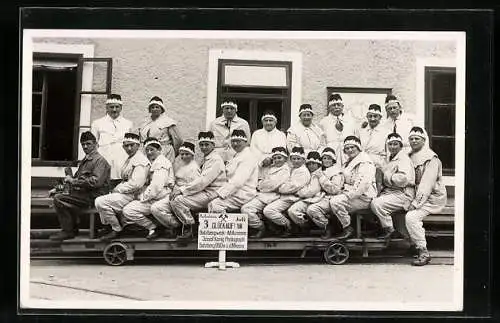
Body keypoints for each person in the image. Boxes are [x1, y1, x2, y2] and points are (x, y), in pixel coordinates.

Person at [49, 132, 111, 241]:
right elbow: (77, 179)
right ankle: (72, 229)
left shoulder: (100, 161)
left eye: (88, 143)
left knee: (59, 199)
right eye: (83, 144)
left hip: (94, 197)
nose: (85, 146)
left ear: (95, 144)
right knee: (59, 195)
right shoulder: (85, 161)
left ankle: (68, 231)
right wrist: (58, 188)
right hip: (83, 195)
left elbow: (95, 182)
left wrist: (72, 181)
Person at [168, 131, 226, 240]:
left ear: (213, 145)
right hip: (206, 191)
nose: (204, 147)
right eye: (201, 144)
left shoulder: (215, 160)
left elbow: (203, 181)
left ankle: (190, 229)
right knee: (175, 198)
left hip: (213, 194)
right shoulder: (207, 158)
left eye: (207, 144)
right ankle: (187, 227)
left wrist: (182, 190)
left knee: (177, 200)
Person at [94, 132, 150, 241]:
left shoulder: (140, 161)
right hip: (127, 193)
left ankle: (116, 229)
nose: (128, 148)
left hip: (134, 195)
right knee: (103, 198)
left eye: (132, 145)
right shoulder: (131, 158)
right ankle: (110, 226)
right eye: (126, 145)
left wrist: (118, 189)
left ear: (138, 146)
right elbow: (126, 179)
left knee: (100, 201)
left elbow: (136, 184)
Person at [405, 126, 447, 266]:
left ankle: (423, 251)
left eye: (417, 139)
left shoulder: (431, 159)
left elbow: (426, 185)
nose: (414, 141)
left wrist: (415, 204)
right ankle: (412, 243)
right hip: (416, 195)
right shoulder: (409, 156)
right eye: (411, 139)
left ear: (424, 140)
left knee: (411, 216)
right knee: (397, 209)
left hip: (431, 198)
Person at [122, 138, 175, 240]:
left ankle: (176, 227)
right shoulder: (154, 162)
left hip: (163, 196)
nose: (149, 152)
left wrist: (142, 197)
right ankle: (154, 227)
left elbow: (156, 186)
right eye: (147, 150)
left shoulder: (161, 163)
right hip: (154, 196)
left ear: (159, 150)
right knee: (128, 210)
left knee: (155, 208)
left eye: (152, 150)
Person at [329, 136, 377, 240]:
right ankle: (336, 228)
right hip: (354, 194)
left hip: (364, 197)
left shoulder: (365, 162)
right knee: (329, 200)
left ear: (358, 147)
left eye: (352, 147)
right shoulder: (350, 161)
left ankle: (348, 228)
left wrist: (347, 194)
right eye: (347, 148)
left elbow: (363, 184)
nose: (350, 150)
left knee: (335, 202)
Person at [149, 141, 201, 237]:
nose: (184, 156)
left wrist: (180, 192)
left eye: (187, 154)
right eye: (182, 154)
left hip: (185, 196)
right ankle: (176, 225)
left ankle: (189, 226)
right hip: (175, 193)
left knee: (173, 202)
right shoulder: (182, 165)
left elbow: (195, 187)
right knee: (155, 208)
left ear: (192, 155)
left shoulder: (194, 168)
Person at [370, 133, 416, 240]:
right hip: (392, 191)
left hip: (403, 193)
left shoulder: (403, 159)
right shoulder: (390, 158)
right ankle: (382, 227)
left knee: (376, 204)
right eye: (390, 144)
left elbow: (403, 179)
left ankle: (390, 230)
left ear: (400, 146)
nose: (392, 147)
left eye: (395, 144)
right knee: (370, 199)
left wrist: (387, 176)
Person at [240, 146, 291, 238]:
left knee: (268, 211)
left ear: (285, 159)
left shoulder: (285, 170)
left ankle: (287, 226)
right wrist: (262, 185)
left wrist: (262, 185)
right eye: (274, 158)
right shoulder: (270, 168)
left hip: (275, 197)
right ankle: (260, 227)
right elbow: (259, 180)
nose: (277, 160)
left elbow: (273, 185)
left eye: (279, 157)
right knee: (246, 209)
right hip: (263, 196)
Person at [208, 129, 259, 215]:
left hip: (244, 193)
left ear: (245, 142)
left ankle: (227, 227)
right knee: (210, 201)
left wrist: (220, 193)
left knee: (215, 205)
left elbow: (238, 181)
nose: (235, 144)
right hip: (235, 191)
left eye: (238, 141)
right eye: (233, 141)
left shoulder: (248, 157)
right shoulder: (237, 155)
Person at [263, 146, 310, 237]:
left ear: (303, 160)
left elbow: (292, 187)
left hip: (292, 198)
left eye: (298, 159)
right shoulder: (293, 169)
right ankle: (277, 227)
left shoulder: (302, 172)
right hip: (285, 196)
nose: (295, 161)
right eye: (293, 159)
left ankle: (289, 226)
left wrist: (279, 188)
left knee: (269, 210)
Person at [91, 93, 133, 184]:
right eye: (111, 107)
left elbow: (130, 144)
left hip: (121, 157)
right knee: (103, 180)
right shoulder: (97, 123)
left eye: (117, 107)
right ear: (106, 108)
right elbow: (93, 144)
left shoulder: (128, 124)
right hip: (104, 156)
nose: (114, 110)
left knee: (120, 181)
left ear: (121, 108)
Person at [306, 147, 344, 239]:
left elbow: (334, 190)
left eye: (329, 158)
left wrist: (321, 178)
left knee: (312, 209)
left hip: (333, 198)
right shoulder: (321, 170)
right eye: (324, 158)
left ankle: (328, 227)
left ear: (333, 160)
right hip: (322, 197)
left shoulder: (336, 172)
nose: (326, 161)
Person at [287, 151, 325, 234]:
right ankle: (305, 226)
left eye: (313, 164)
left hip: (316, 199)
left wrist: (298, 192)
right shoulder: (307, 172)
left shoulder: (318, 174)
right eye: (309, 164)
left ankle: (323, 227)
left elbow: (312, 190)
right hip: (307, 198)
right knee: (292, 210)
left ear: (318, 164)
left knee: (303, 210)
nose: (311, 166)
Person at [138, 96, 183, 164]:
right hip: (147, 151)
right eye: (152, 107)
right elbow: (141, 137)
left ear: (161, 109)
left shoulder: (168, 122)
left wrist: (174, 152)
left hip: (163, 151)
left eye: (157, 107)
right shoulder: (145, 122)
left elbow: (178, 140)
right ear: (149, 110)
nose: (154, 109)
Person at [359, 103, 390, 193]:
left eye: (375, 116)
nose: (372, 119)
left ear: (380, 117)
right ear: (367, 117)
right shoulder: (362, 131)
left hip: (378, 163)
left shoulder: (386, 132)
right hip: (364, 161)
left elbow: (388, 152)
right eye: (370, 116)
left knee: (377, 188)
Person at [319, 93, 357, 165]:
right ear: (329, 107)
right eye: (333, 105)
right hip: (331, 154)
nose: (336, 107)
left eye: (338, 105)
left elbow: (356, 138)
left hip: (347, 153)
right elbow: (321, 142)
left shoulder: (350, 121)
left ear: (342, 106)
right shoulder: (324, 122)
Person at [249, 110, 287, 178]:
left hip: (275, 165)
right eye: (266, 120)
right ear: (262, 122)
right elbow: (253, 150)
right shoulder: (256, 134)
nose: (268, 123)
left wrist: (270, 159)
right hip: (259, 165)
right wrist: (262, 161)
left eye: (271, 120)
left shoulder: (281, 135)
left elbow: (282, 151)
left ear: (275, 122)